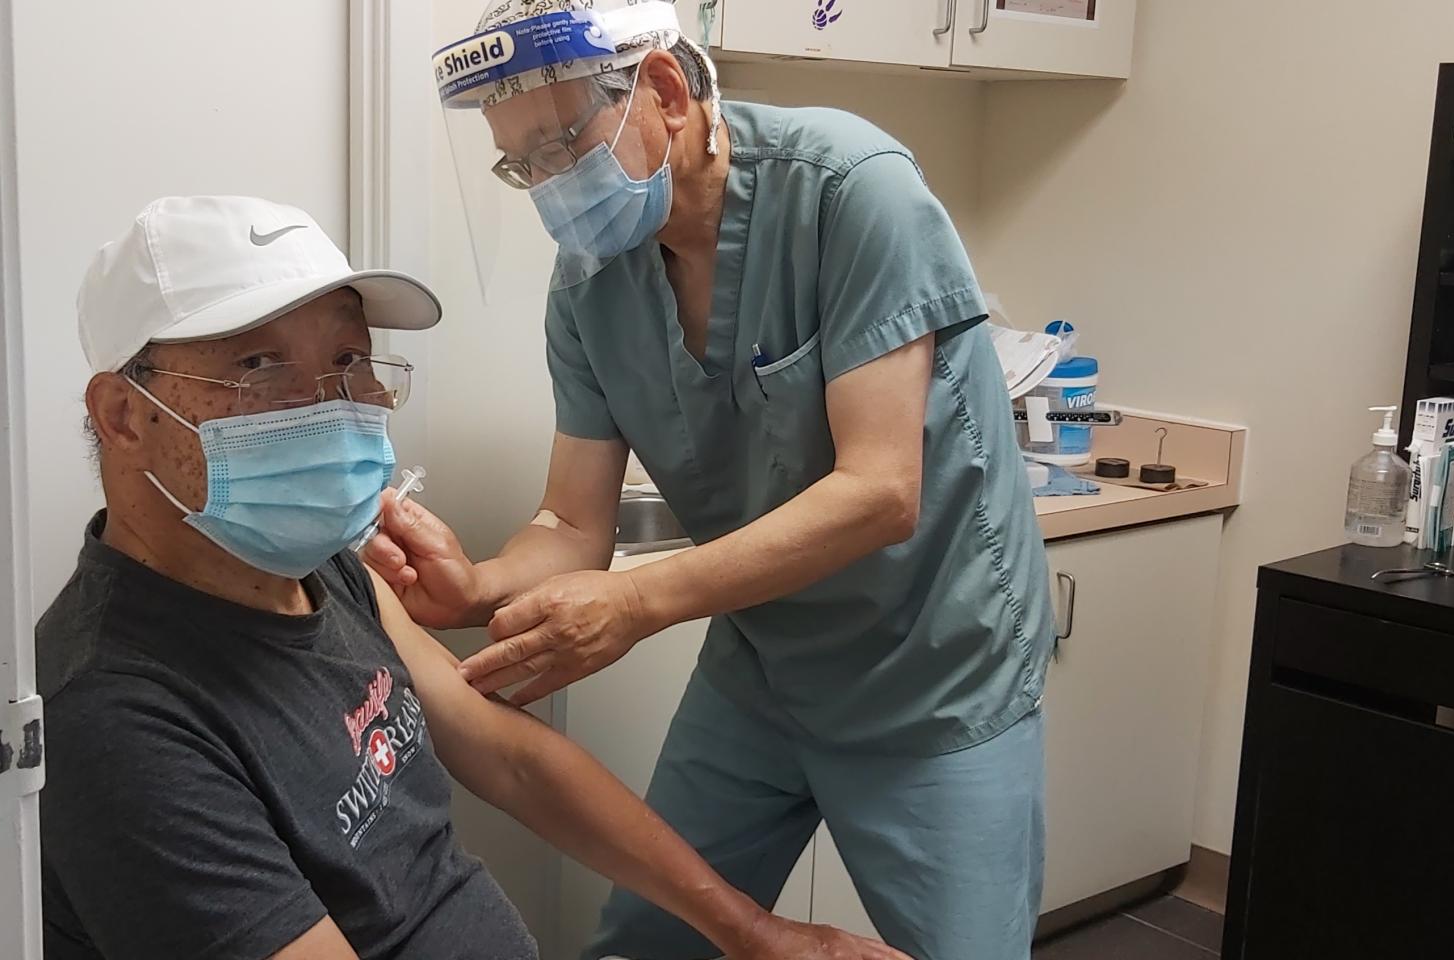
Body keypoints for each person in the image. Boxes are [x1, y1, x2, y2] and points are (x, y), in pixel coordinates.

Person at [39, 194, 910, 960]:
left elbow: (510, 758)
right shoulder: (122, 717)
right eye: (259, 368)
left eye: (349, 362)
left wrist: (757, 935)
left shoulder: (322, 573)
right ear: (123, 414)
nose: (330, 405)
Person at [371, 4, 1055, 958]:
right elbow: (572, 521)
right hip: (765, 666)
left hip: (931, 666)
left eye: (565, 142)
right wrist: (478, 586)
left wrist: (636, 603)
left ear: (663, 91)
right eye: (522, 164)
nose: (552, 187)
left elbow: (880, 489)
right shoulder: (589, 285)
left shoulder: (852, 191)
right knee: (651, 938)